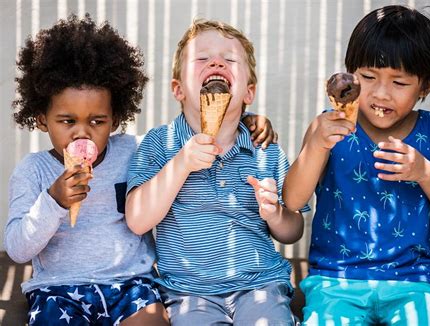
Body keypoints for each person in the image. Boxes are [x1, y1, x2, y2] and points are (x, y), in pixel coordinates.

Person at [4, 14, 276, 326]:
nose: (83, 133)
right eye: (67, 121)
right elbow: (18, 249)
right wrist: (53, 201)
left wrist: (245, 120)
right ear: (41, 119)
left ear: (115, 119)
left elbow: (187, 137)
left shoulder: (135, 149)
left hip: (131, 286)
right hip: (58, 290)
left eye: (98, 121)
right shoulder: (32, 170)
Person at [282, 5, 430, 325]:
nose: (381, 93)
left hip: (415, 282)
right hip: (336, 281)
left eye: (399, 83)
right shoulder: (329, 126)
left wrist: (426, 173)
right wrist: (316, 147)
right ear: (351, 74)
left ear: (424, 87)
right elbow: (293, 200)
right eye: (368, 77)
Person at [126, 19, 307, 325]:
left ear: (248, 92)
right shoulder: (160, 144)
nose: (216, 62)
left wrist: (275, 213)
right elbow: (137, 219)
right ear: (178, 89)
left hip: (260, 284)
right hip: (188, 293)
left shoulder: (265, 148)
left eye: (230, 59)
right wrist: (181, 164)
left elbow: (293, 231)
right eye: (201, 58)